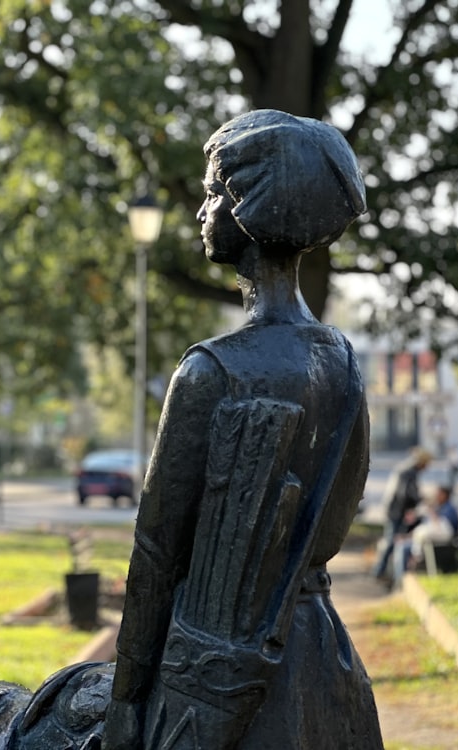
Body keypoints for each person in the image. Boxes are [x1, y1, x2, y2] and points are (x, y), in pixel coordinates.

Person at [101, 110, 382, 750]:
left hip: (225, 684)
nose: (201, 212)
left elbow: (155, 557)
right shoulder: (342, 362)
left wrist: (127, 698)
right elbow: (341, 508)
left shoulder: (211, 372)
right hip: (324, 659)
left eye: (210, 194)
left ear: (247, 206)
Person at [371, 446, 432, 580]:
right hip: (396, 512)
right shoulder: (409, 472)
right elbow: (406, 494)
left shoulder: (407, 469)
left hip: (396, 510)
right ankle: (380, 570)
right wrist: (420, 501)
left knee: (394, 540)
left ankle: (384, 570)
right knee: (392, 540)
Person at [392, 484, 458, 587]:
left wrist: (432, 512)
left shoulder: (449, 509)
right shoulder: (439, 507)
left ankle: (401, 582)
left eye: (438, 494)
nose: (436, 496)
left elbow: (442, 530)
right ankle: (399, 580)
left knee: (403, 548)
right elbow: (425, 529)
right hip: (426, 541)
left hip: (437, 545)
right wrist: (406, 536)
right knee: (400, 544)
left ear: (444, 495)